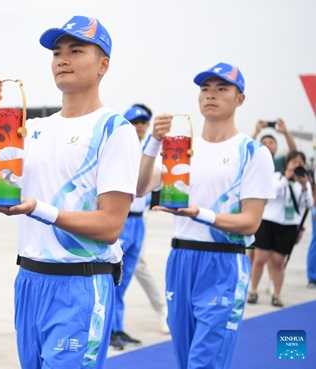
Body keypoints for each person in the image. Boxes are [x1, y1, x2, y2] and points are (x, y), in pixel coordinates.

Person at [0, 15, 141, 369]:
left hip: (80, 284)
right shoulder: (29, 130)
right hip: (30, 282)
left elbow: (112, 224)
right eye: (56, 52)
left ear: (103, 65)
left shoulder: (114, 130)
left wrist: (39, 209)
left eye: (76, 50)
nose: (62, 59)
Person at [137, 62, 275, 369]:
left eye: (221, 88)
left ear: (239, 99)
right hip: (181, 261)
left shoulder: (252, 152)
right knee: (185, 359)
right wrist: (154, 142)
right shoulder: (183, 149)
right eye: (205, 88)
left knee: (205, 362)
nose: (210, 95)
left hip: (223, 264)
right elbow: (139, 187)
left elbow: (251, 222)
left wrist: (201, 214)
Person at [110, 105, 168, 351]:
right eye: (135, 122)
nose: (141, 126)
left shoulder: (151, 151)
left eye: (144, 122)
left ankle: (117, 328)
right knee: (112, 278)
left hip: (138, 222)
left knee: (124, 280)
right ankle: (109, 330)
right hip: (121, 219)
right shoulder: (121, 149)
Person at [248, 151, 313, 307]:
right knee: (260, 259)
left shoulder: (304, 182)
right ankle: (253, 290)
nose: (297, 165)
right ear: (287, 164)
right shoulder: (277, 176)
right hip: (269, 222)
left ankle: (277, 294)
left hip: (288, 226)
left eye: (300, 163)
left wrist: (304, 186)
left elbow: (309, 204)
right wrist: (287, 178)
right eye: (294, 162)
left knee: (278, 262)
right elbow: (271, 193)